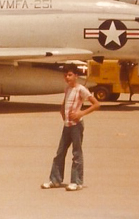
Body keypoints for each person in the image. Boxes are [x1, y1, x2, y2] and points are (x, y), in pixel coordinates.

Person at [41, 63, 100, 191]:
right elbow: (65, 102)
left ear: (76, 76)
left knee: (76, 153)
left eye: (70, 75)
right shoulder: (67, 89)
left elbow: (96, 104)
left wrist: (81, 113)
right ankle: (55, 179)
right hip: (67, 125)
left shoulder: (81, 89)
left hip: (76, 126)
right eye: (65, 75)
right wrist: (62, 111)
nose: (67, 78)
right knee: (60, 152)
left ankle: (77, 181)